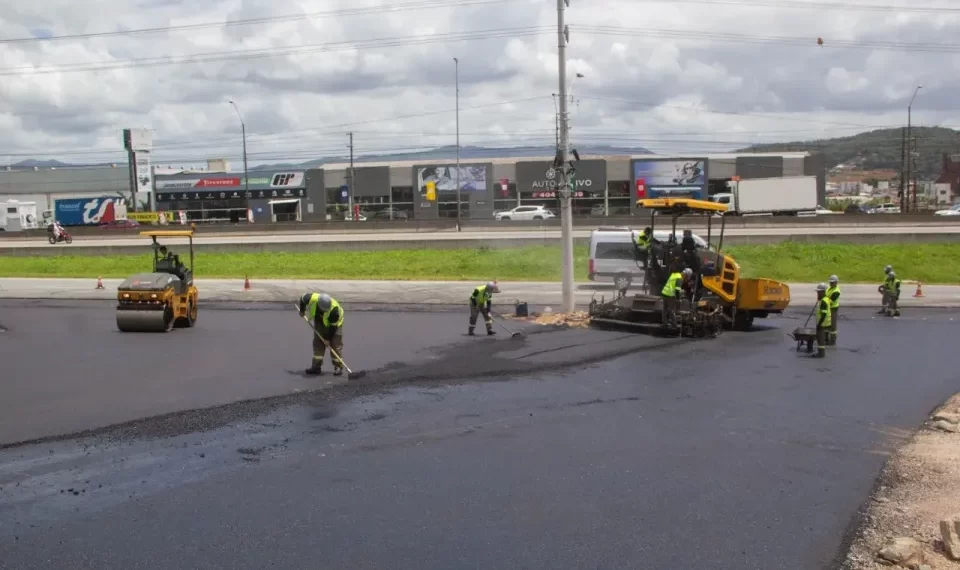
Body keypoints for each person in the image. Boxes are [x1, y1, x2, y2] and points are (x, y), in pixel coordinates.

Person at [299, 292, 345, 376]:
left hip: (335, 324)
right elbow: (302, 298)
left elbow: (332, 328)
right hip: (319, 320)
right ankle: (316, 367)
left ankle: (338, 367)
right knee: (318, 343)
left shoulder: (334, 311)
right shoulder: (312, 298)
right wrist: (302, 310)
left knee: (335, 344)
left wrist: (327, 339)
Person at [814, 283, 831, 358]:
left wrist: (819, 324)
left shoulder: (823, 301)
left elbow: (823, 314)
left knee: (820, 339)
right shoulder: (825, 299)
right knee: (821, 338)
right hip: (824, 323)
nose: (817, 293)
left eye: (819, 292)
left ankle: (821, 354)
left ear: (823, 292)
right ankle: (821, 353)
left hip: (822, 323)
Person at [825, 274, 840, 345]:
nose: (831, 283)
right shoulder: (829, 288)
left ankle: (832, 340)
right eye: (830, 282)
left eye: (832, 282)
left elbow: (831, 301)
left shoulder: (836, 291)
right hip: (827, 308)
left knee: (833, 326)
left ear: (836, 282)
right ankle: (826, 338)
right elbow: (825, 295)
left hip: (833, 309)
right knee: (827, 323)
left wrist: (824, 301)